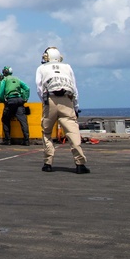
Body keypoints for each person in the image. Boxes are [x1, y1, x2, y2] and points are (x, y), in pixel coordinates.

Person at [35, 46, 90, 174]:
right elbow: (74, 89)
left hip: (51, 100)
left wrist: (45, 103)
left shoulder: (41, 68)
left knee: (47, 132)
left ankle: (48, 163)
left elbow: (39, 88)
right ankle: (80, 163)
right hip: (67, 100)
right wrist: (75, 107)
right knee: (73, 133)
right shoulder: (67, 67)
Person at [0, 66, 30, 145]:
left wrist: (3, 100)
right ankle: (26, 140)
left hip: (10, 101)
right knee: (23, 121)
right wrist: (25, 98)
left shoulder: (4, 79)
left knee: (5, 119)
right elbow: (27, 88)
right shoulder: (17, 79)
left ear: (4, 72)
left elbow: (1, 92)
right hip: (19, 100)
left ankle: (8, 140)